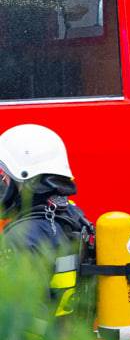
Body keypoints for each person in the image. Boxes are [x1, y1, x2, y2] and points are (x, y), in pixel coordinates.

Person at [0, 124, 93, 317]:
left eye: (4, 178)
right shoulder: (73, 216)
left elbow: (15, 316)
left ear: (27, 180)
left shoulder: (22, 237)